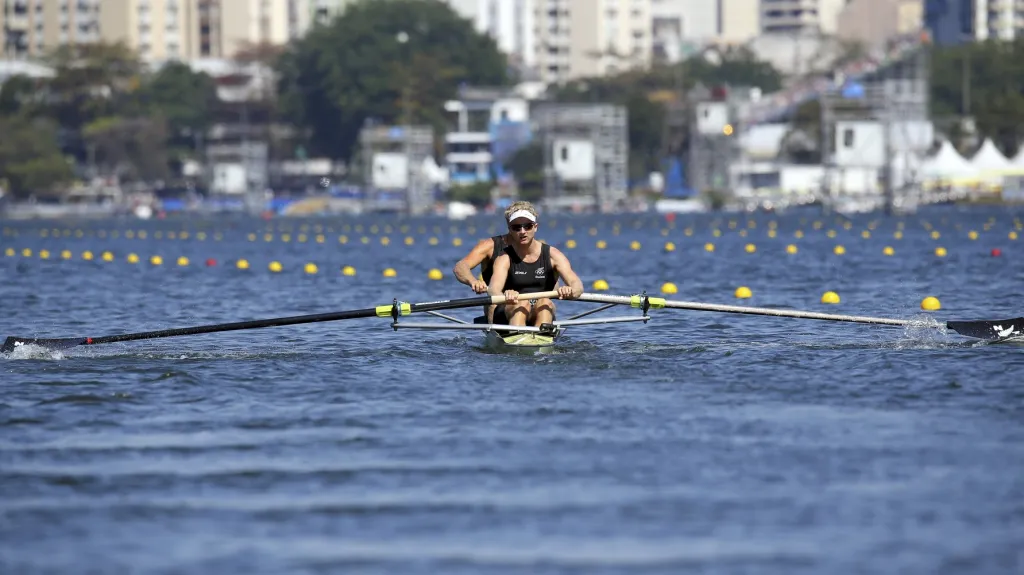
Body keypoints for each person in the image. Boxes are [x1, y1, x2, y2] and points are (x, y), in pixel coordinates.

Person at [486, 202, 583, 327]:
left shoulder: (553, 255)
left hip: (540, 309)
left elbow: (578, 286)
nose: (522, 231)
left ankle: (541, 339)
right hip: (509, 310)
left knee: (545, 303)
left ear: (535, 227)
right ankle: (519, 339)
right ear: (510, 230)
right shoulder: (504, 258)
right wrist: (506, 296)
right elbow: (494, 290)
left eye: (528, 226)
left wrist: (568, 290)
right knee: (522, 303)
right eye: (517, 227)